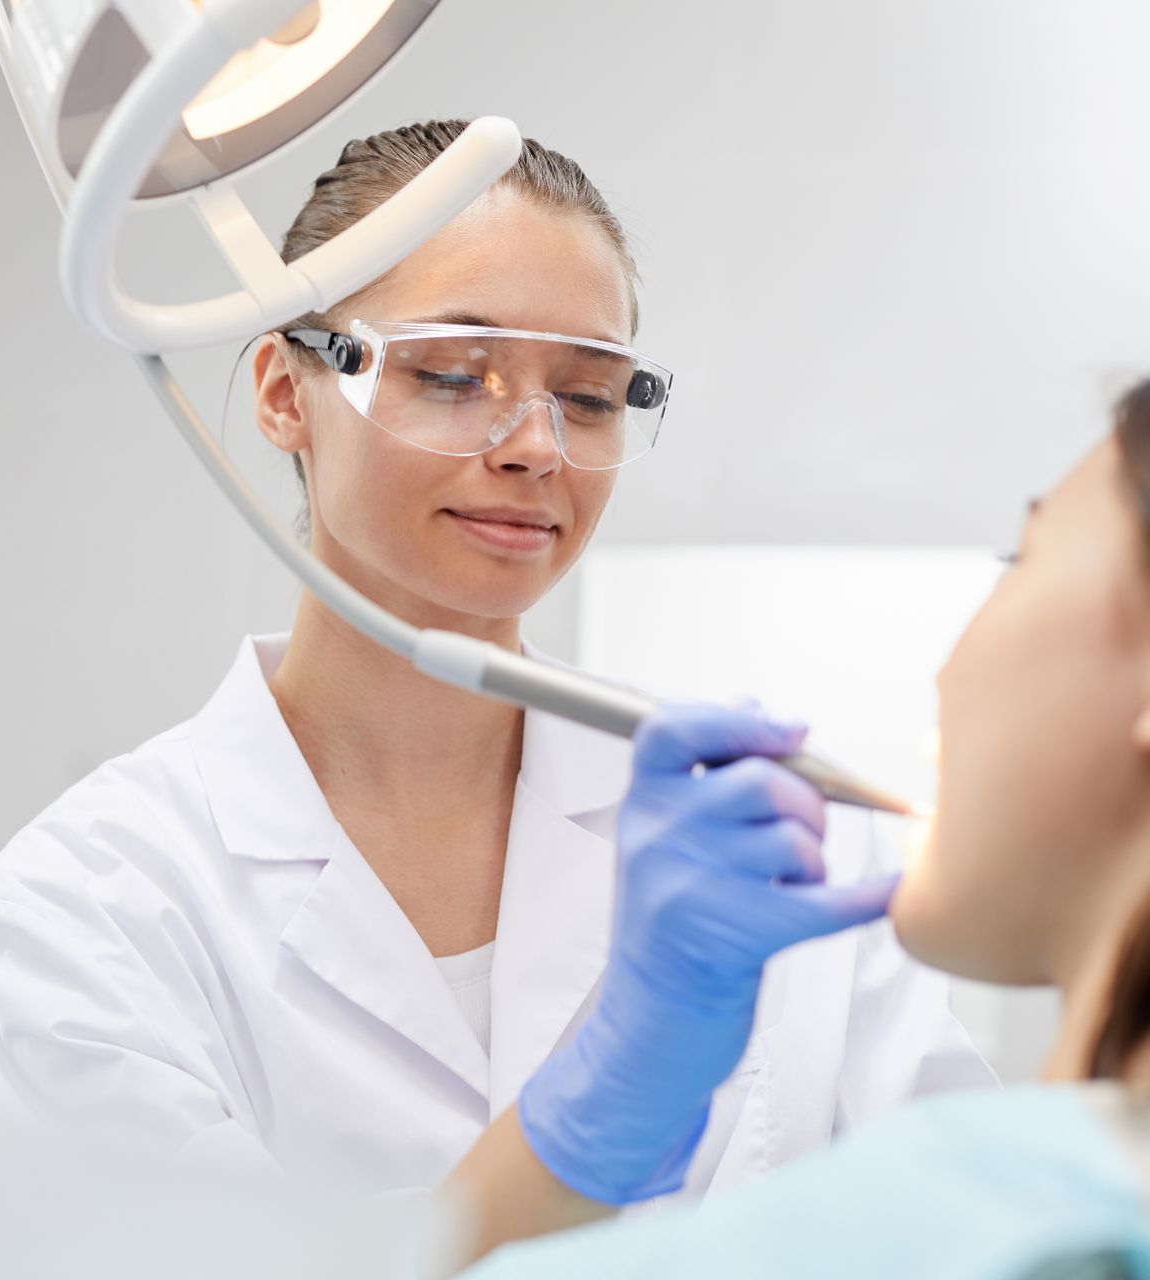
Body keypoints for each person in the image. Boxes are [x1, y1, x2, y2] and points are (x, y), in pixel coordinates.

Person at [0, 121, 990, 1199]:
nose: (538, 443)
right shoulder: (94, 899)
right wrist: (599, 1098)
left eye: (589, 397)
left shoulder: (767, 838)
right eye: (454, 373)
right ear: (281, 391)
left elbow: (986, 1225)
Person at [447, 382, 1150, 1277]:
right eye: (453, 376)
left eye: (1022, 557)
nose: (948, 671)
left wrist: (582, 1131)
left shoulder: (990, 1225)